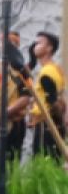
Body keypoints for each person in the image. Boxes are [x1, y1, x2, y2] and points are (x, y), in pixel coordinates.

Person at [24, 31, 64, 162]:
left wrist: (57, 124)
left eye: (39, 43)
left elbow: (52, 101)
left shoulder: (47, 72)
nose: (35, 45)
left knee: (43, 164)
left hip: (46, 125)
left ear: (49, 48)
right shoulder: (53, 68)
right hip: (47, 124)